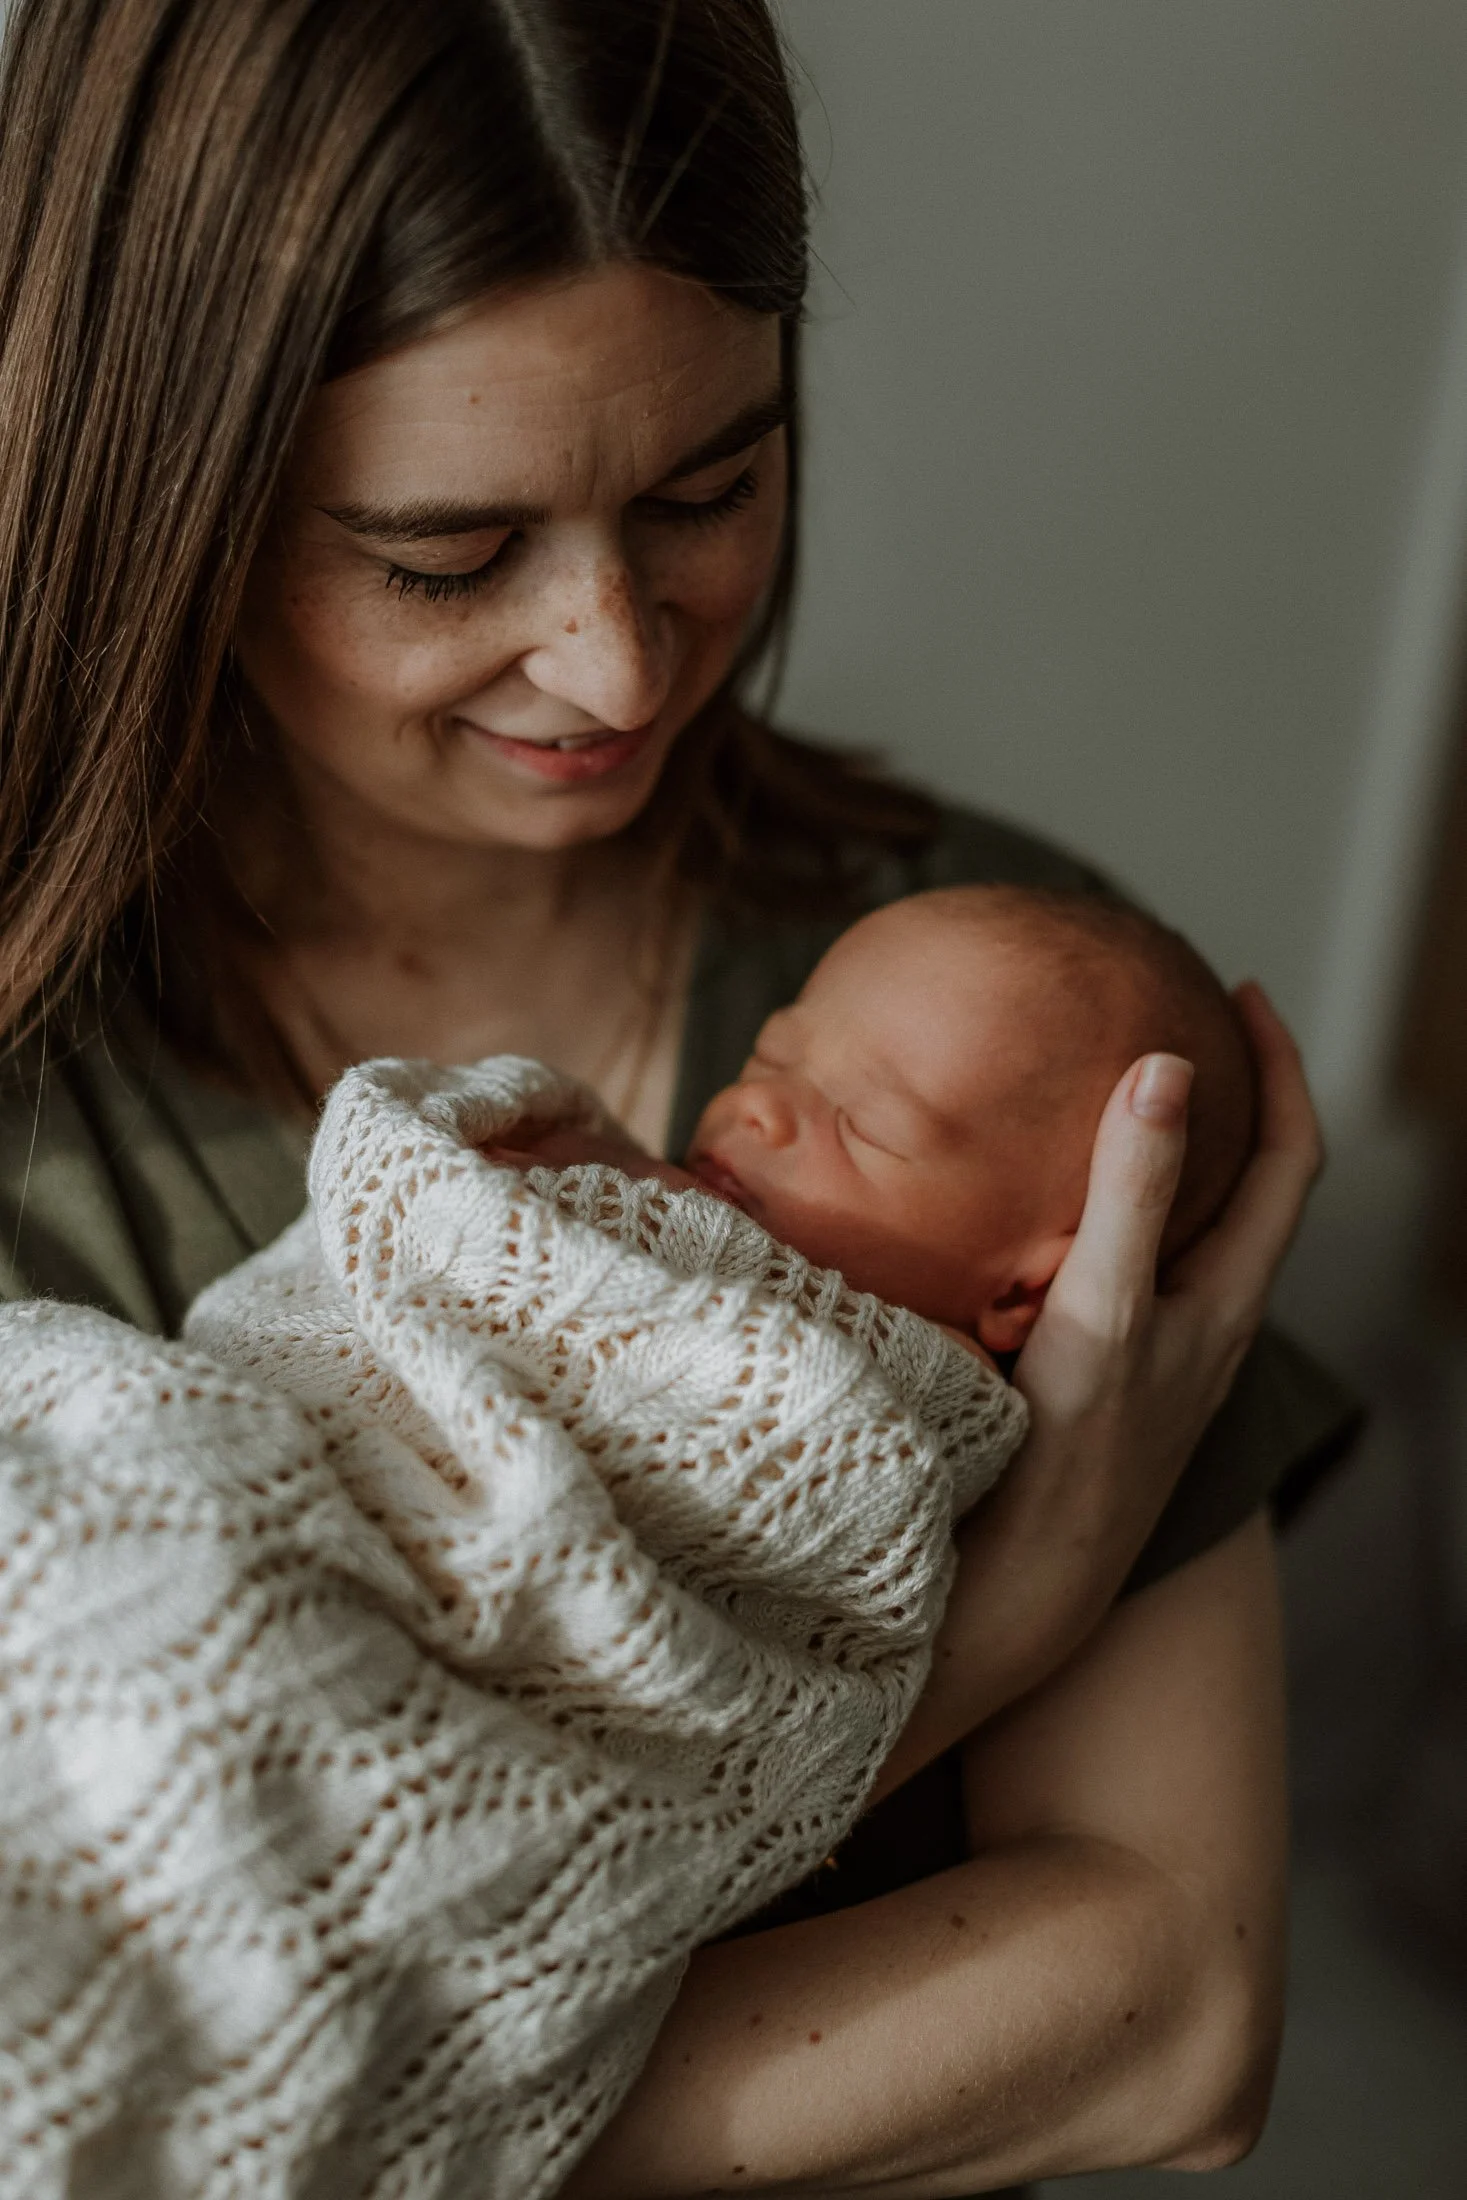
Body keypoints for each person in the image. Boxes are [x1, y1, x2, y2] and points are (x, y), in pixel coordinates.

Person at [0, 1, 1357, 2191]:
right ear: (168, 499)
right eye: (445, 557)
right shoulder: (37, 1083)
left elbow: (1170, 2020)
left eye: (708, 484)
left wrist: (324, 2085)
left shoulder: (1013, 1004)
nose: (622, 662)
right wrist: (1000, 1618)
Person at [497, 882, 1258, 1359]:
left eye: (863, 1125)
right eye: (770, 1058)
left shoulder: (913, 1391)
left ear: (1023, 1295)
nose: (757, 1108)